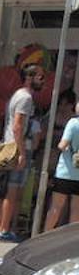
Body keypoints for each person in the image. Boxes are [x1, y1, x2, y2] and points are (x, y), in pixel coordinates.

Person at [0, 64, 45, 241]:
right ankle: (3, 229)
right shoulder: (25, 98)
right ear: (29, 77)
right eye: (40, 77)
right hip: (18, 147)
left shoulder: (18, 95)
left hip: (11, 146)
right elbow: (17, 125)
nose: (42, 81)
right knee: (13, 190)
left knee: (7, 189)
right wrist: (22, 152)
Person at [45, 92, 79, 230]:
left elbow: (62, 145)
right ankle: (69, 244)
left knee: (56, 207)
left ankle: (44, 237)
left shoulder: (73, 123)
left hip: (65, 172)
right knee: (76, 209)